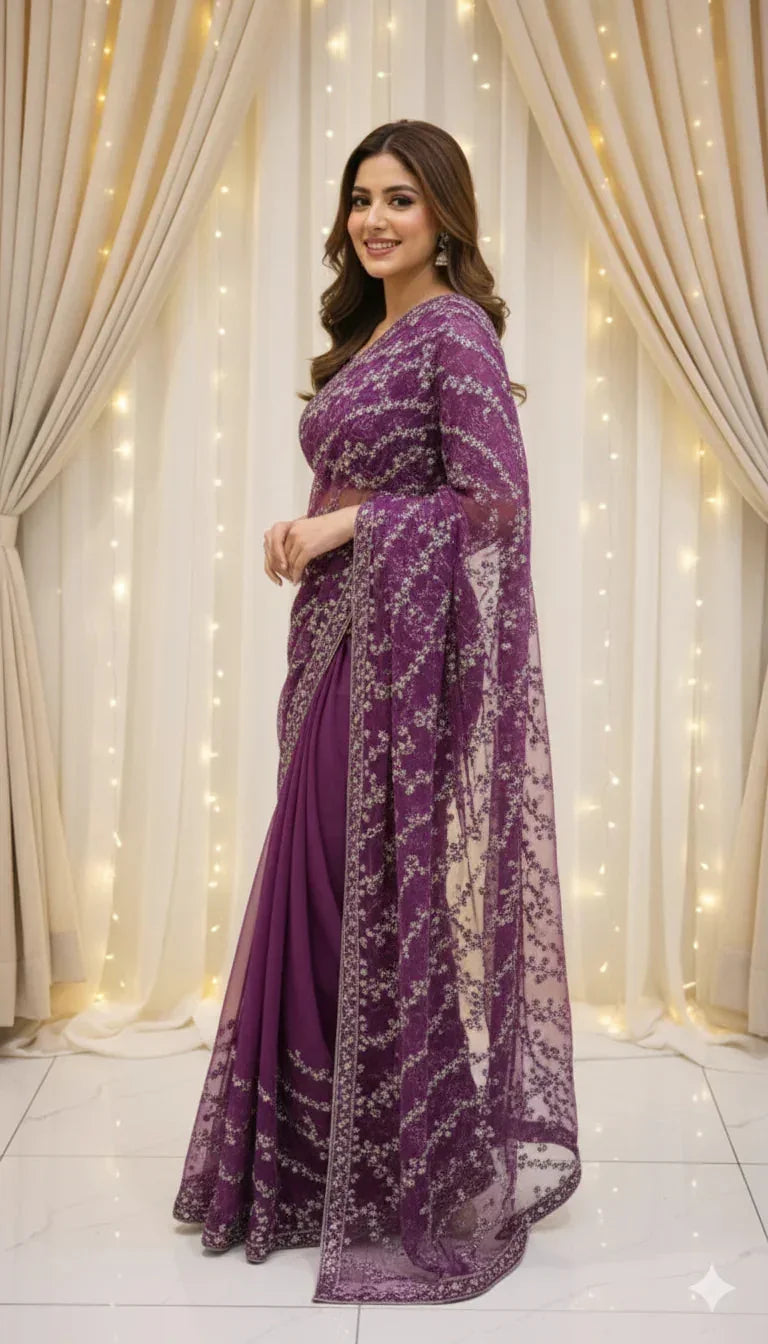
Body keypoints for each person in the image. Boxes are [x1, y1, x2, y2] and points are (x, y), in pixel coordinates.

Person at [172, 118, 581, 1306]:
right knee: (332, 884)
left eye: (401, 199)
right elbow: (378, 478)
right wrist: (306, 532)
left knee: (349, 886)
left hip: (397, 656)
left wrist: (347, 527)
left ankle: (377, 1162)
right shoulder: (378, 331)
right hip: (340, 640)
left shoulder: (450, 329)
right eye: (362, 198)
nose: (376, 219)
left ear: (444, 215)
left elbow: (495, 504)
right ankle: (331, 1160)